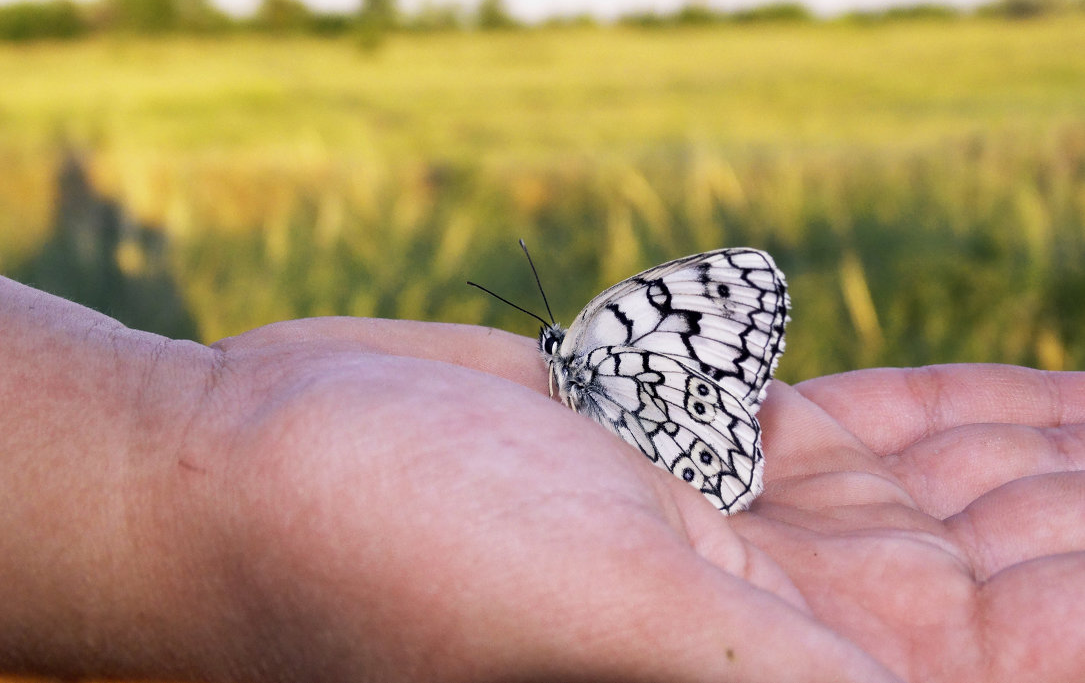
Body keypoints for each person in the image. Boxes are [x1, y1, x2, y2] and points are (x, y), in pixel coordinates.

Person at [0, 273, 1082, 683]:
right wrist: (187, 436)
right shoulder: (579, 354)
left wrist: (169, 426)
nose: (549, 348)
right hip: (690, 438)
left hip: (690, 437)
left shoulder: (596, 344)